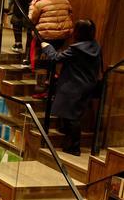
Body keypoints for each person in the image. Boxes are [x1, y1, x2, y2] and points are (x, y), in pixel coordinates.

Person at [40, 19, 102, 156]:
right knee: (73, 115)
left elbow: (56, 58)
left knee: (71, 117)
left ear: (79, 32)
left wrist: (47, 47)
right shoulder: (95, 47)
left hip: (73, 85)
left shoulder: (76, 49)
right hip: (87, 84)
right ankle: (68, 143)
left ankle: (73, 147)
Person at [28, 0, 72, 69]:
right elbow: (70, 15)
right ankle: (52, 74)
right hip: (62, 36)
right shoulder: (65, 1)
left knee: (42, 53)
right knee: (54, 54)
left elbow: (32, 20)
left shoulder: (40, 4)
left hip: (45, 37)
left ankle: (42, 74)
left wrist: (32, 6)